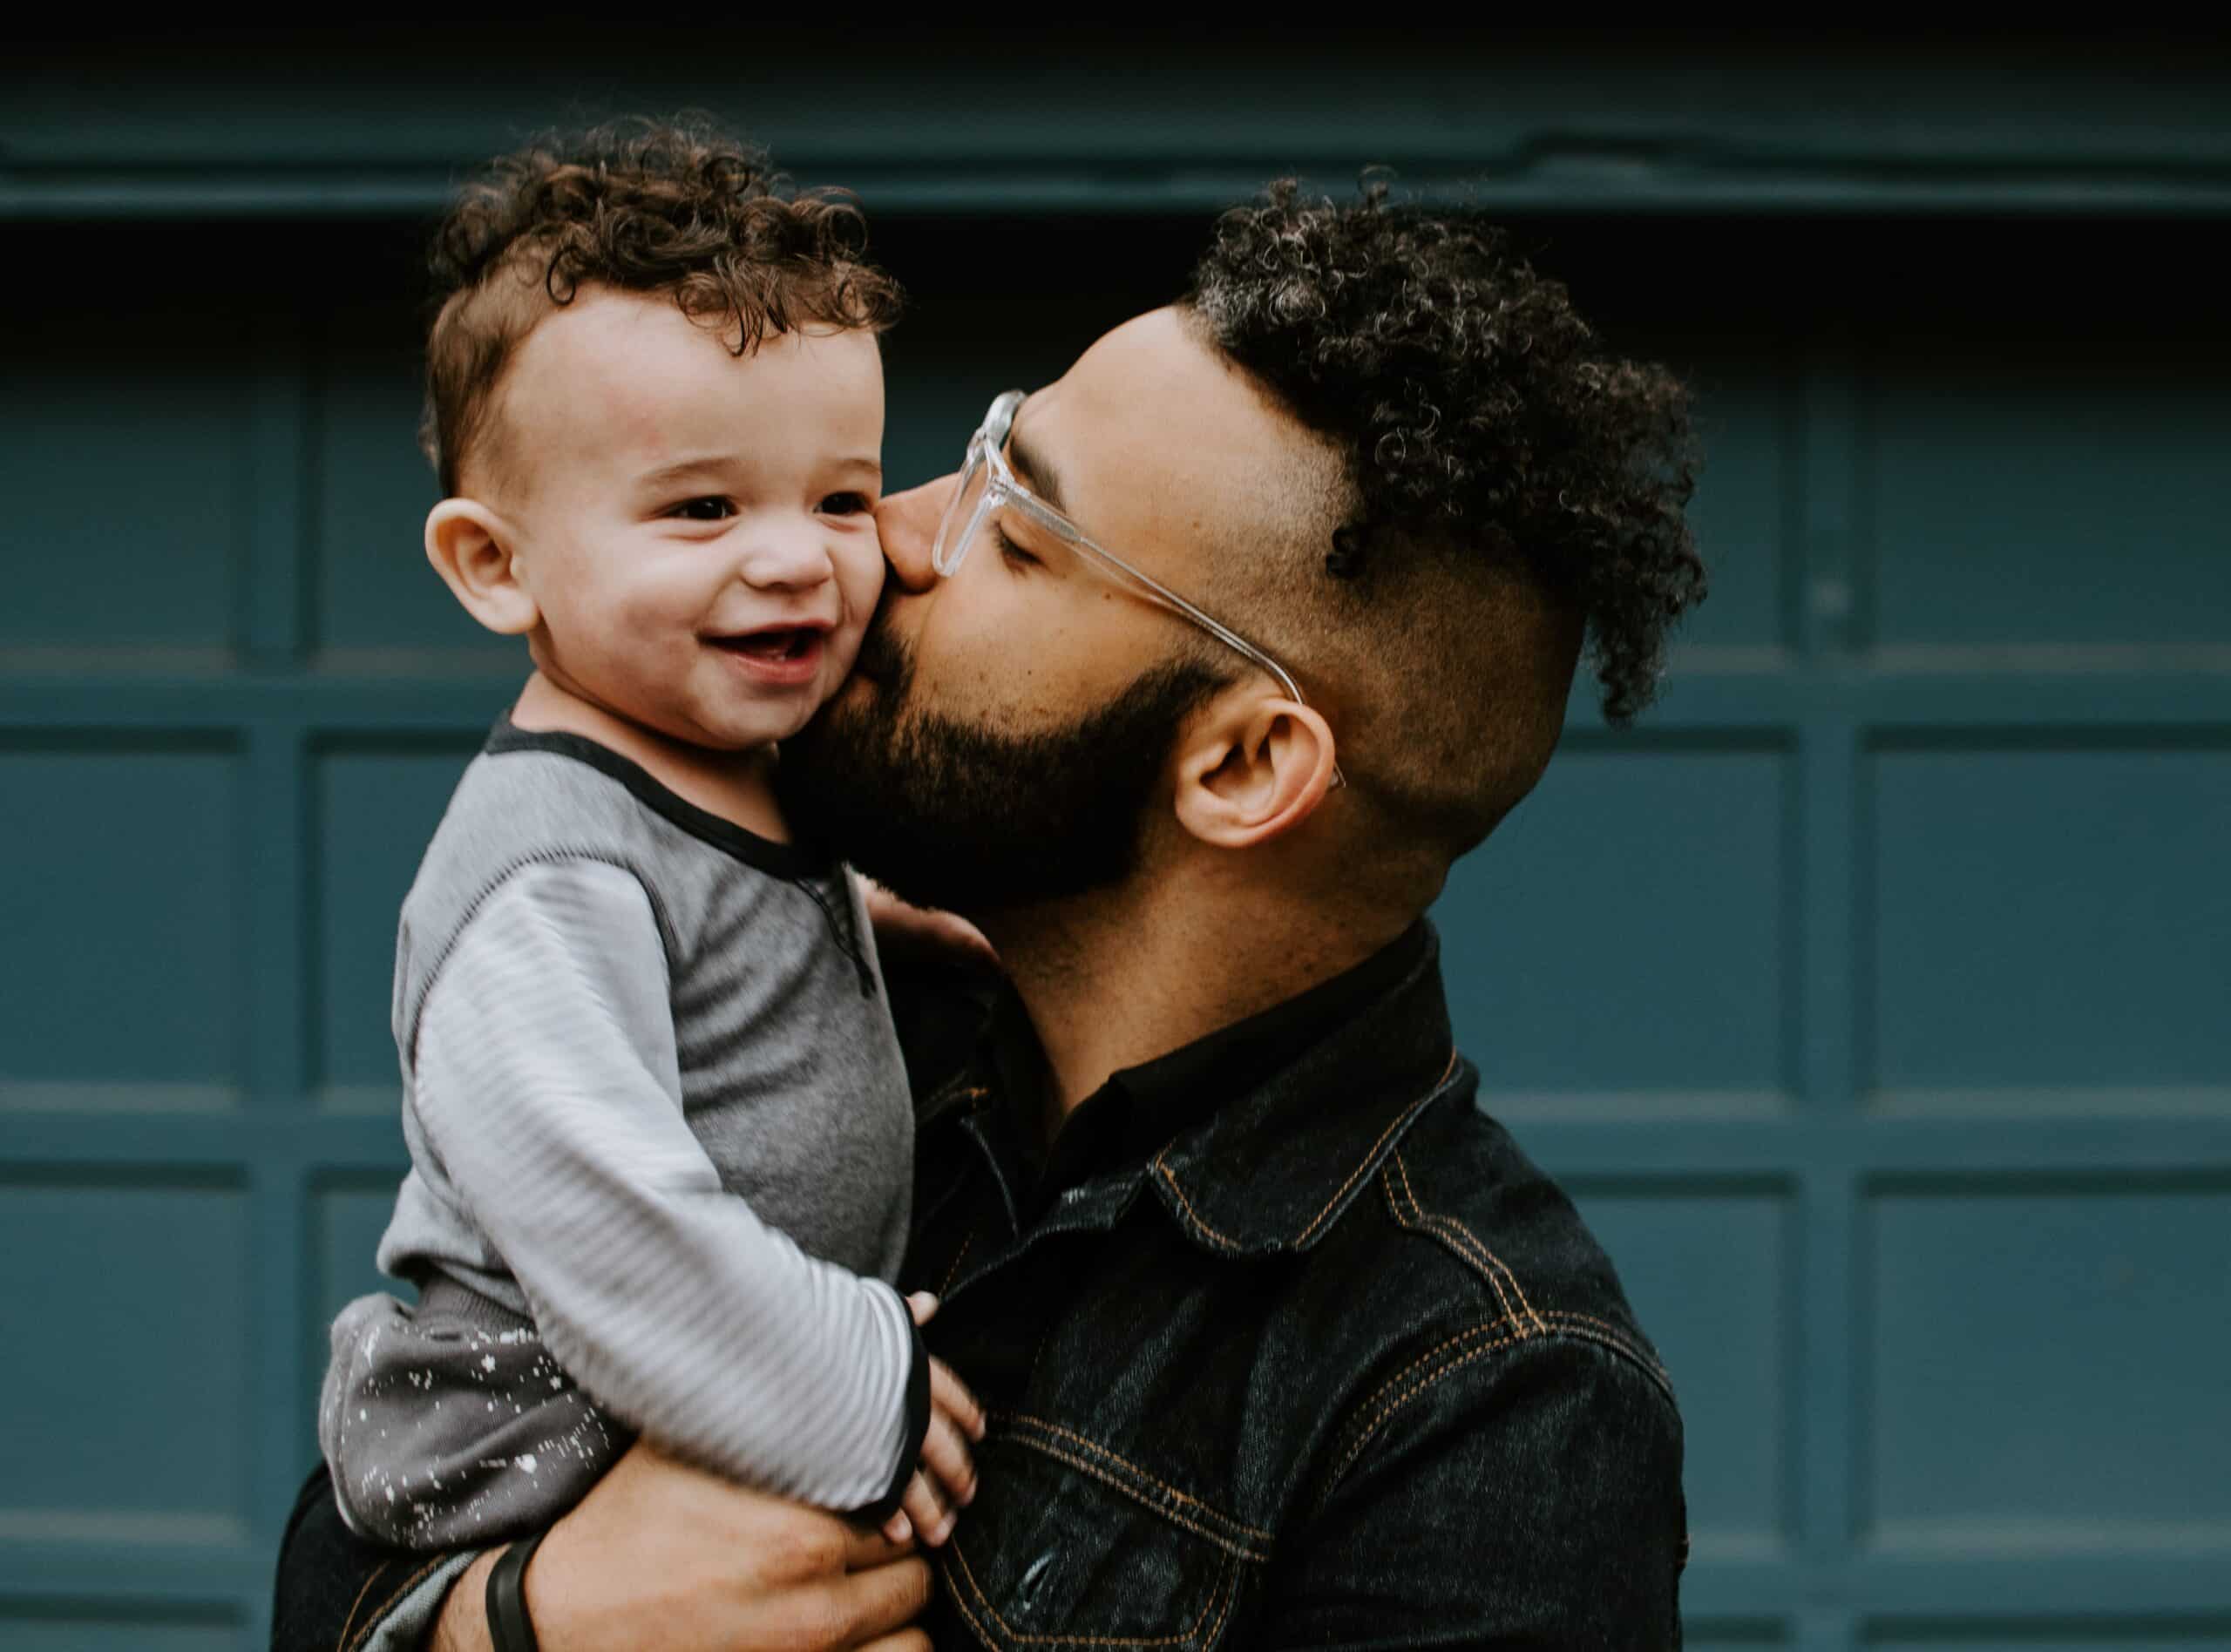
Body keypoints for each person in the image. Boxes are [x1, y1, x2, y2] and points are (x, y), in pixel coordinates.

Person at [275, 166, 1707, 1649]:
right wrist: (518, 1625)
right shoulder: (817, 1015)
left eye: (1017, 535)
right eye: (975, 461)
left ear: (1243, 762)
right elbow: (358, 1521)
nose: (880, 538)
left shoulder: (1487, 1400)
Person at [314, 118, 980, 1566]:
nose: (797, 555)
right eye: (702, 508)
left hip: (691, 1399)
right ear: (497, 565)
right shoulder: (549, 877)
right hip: (537, 1433)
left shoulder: (730, 766)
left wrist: (868, 919)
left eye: (842, 499)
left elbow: (724, 927)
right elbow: (605, 1217)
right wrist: (854, 1389)